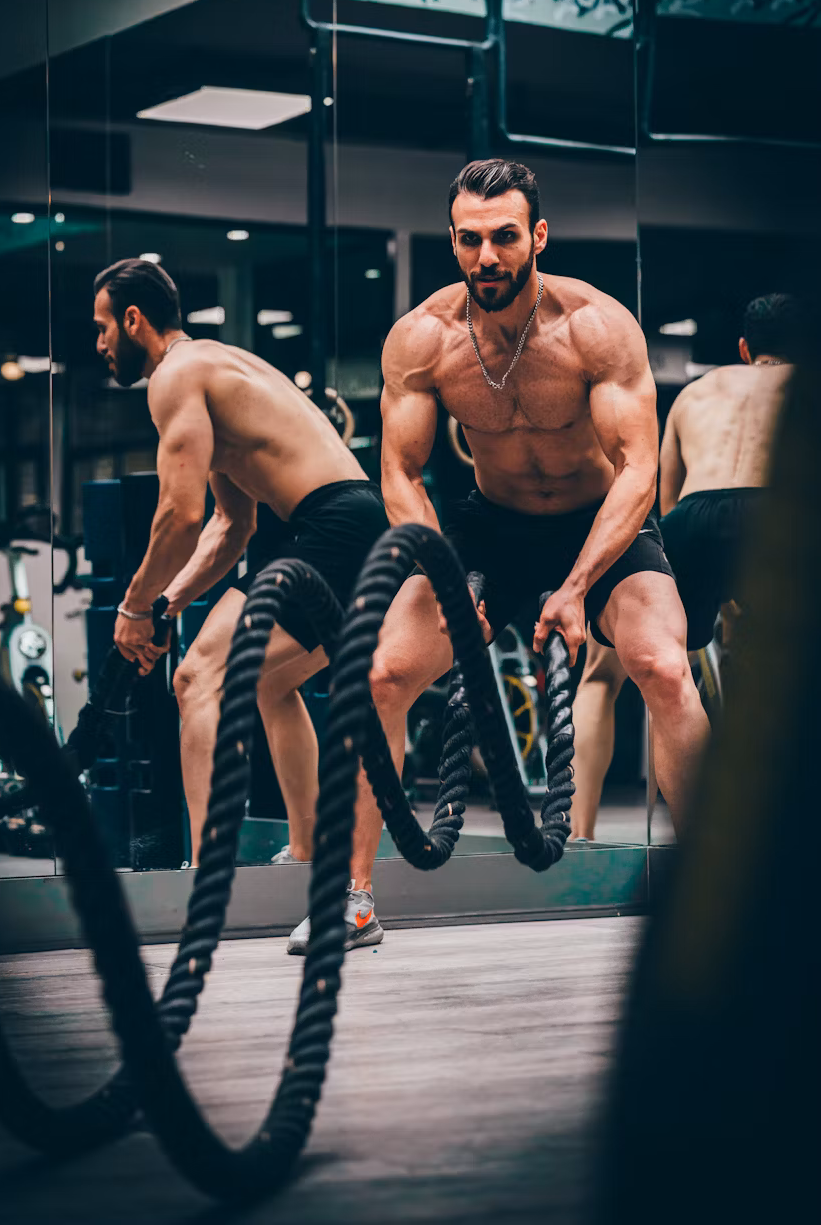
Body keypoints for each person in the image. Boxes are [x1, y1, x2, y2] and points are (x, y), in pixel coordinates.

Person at [290, 156, 710, 951]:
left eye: (506, 238)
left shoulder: (597, 327)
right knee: (379, 675)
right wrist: (445, 579)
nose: (488, 258)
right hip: (487, 527)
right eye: (470, 240)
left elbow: (640, 470)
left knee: (662, 664)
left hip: (600, 525)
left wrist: (580, 584)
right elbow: (401, 475)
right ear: (453, 241)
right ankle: (349, 898)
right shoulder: (422, 339)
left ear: (538, 236)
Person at [93, 258, 390, 947]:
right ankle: (311, 854)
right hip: (338, 521)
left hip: (332, 526)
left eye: (104, 328)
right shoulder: (215, 367)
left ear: (135, 320)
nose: (101, 345)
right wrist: (167, 601)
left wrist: (134, 607)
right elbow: (232, 527)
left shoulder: (173, 378)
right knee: (267, 684)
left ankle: (207, 880)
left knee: (201, 676)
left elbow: (178, 516)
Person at [568, 292, 799, 842]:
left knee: (603, 674)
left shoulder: (697, 393)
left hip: (693, 514)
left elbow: (664, 499)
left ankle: (579, 835)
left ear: (744, 348)